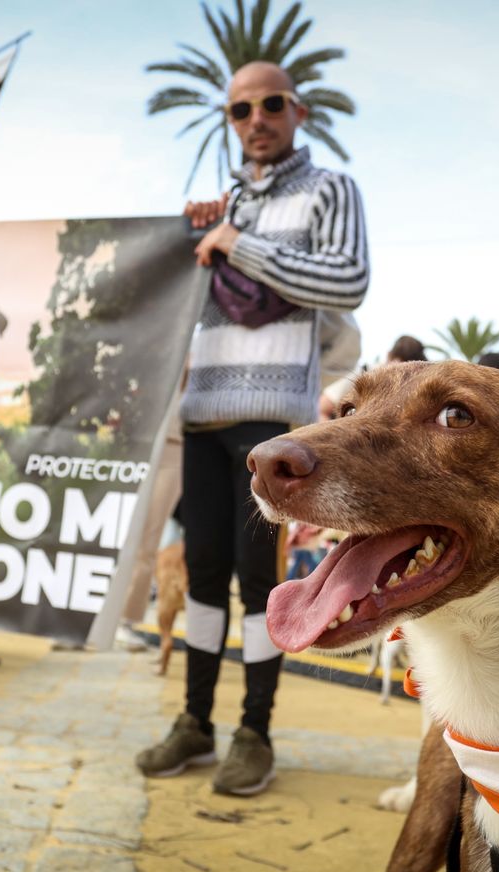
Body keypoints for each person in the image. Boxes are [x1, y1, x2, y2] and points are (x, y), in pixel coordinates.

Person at [135, 61, 368, 796]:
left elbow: (349, 279)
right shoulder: (223, 202)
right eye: (241, 109)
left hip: (271, 417)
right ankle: (195, 721)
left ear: (299, 111)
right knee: (202, 575)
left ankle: (255, 732)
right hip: (201, 409)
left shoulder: (331, 188)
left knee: (257, 580)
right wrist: (196, 235)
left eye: (271, 104)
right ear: (229, 120)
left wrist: (238, 242)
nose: (256, 119)